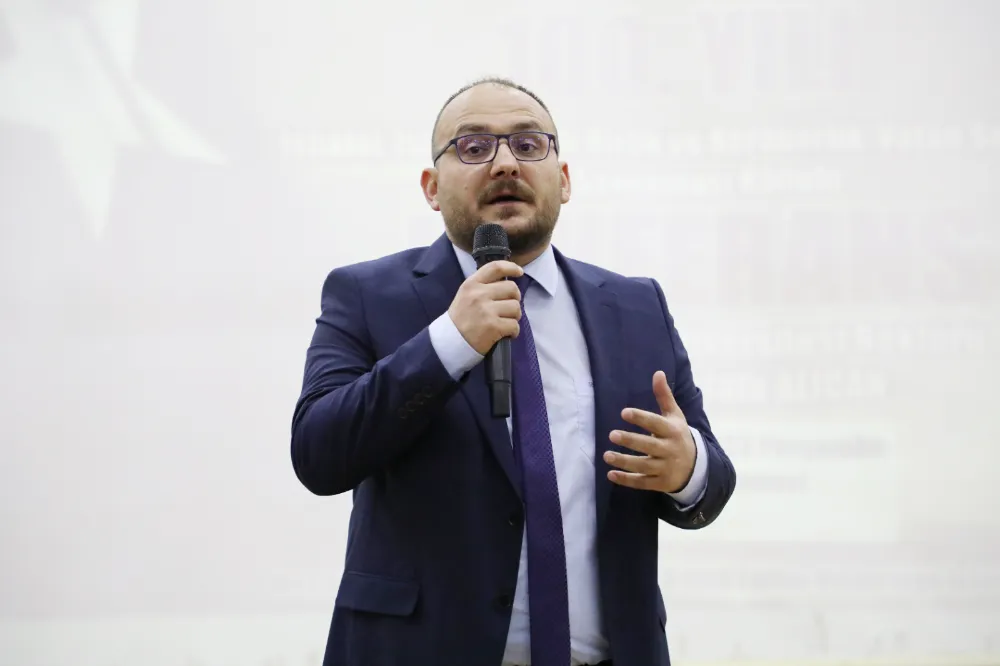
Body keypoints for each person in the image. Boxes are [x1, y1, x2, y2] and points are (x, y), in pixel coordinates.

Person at [290, 77, 737, 666]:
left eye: (528, 144)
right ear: (431, 187)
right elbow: (318, 453)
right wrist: (449, 343)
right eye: (474, 147)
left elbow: (712, 480)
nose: (505, 163)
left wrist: (687, 468)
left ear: (564, 179)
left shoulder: (635, 306)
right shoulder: (366, 295)